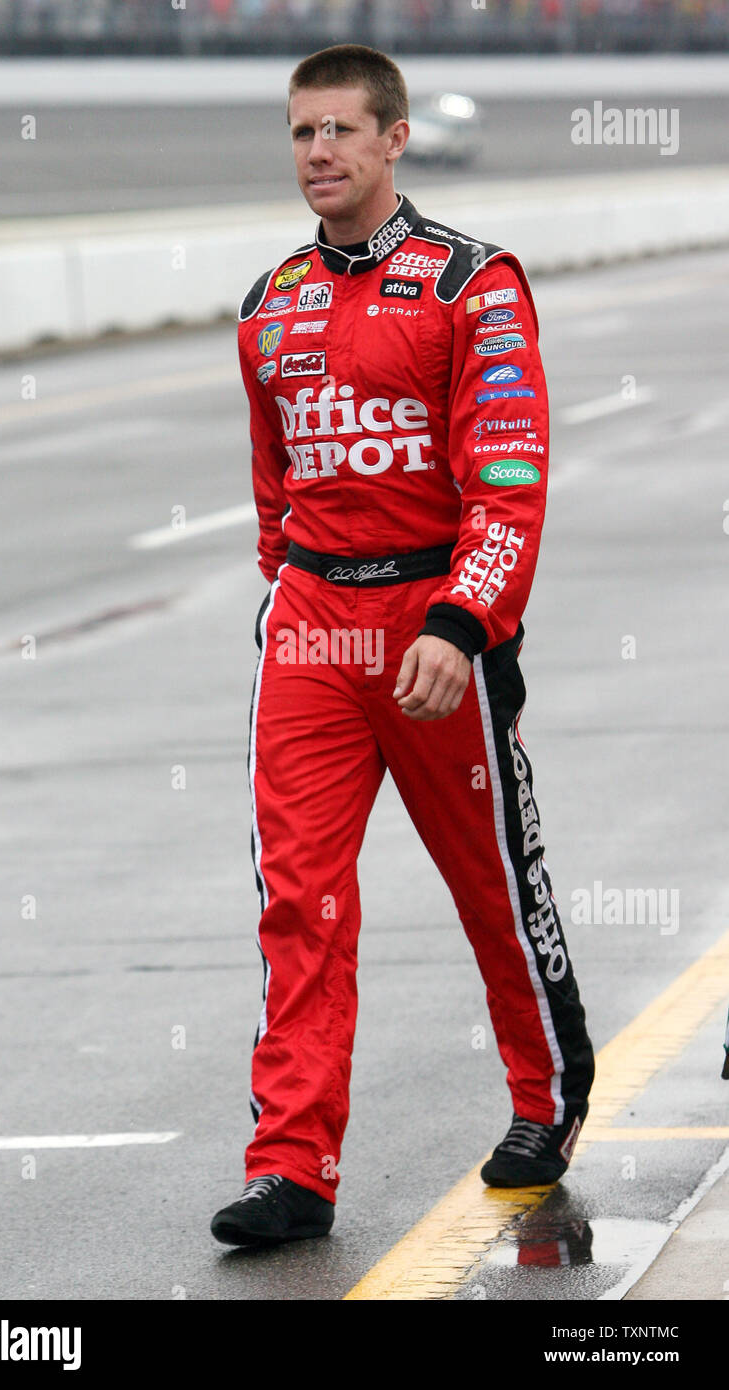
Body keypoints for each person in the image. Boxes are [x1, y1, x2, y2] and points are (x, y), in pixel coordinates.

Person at [211, 43, 595, 1248]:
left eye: (338, 130)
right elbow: (274, 496)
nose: (316, 152)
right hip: (314, 633)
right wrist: (291, 601)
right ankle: (292, 1169)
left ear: (393, 138)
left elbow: (512, 481)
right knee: (299, 903)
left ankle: (546, 1098)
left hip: (438, 627)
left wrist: (459, 621)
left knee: (490, 886)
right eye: (298, 132)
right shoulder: (268, 303)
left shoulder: (471, 284)